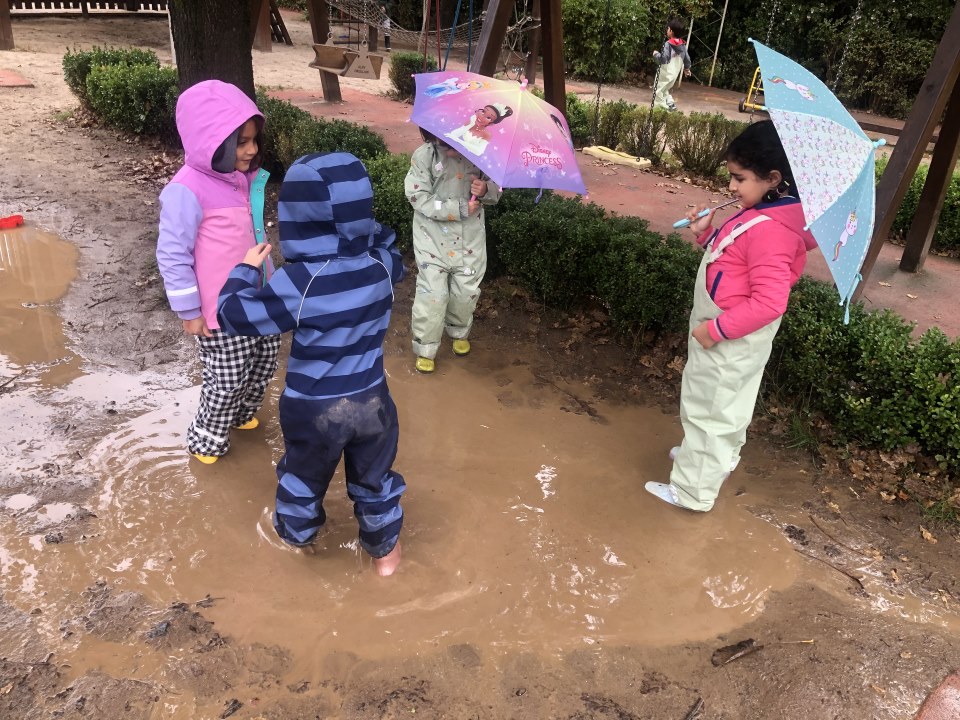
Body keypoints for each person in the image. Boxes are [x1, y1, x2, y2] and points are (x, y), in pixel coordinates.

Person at [217, 152, 406, 576]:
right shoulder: (381, 267)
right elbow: (392, 248)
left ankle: (297, 549)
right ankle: (387, 559)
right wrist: (367, 232)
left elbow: (234, 316)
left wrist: (245, 272)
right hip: (374, 402)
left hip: (314, 409)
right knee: (376, 482)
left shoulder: (299, 282)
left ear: (297, 217)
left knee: (302, 479)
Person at [645, 120, 817, 512]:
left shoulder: (772, 230)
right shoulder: (764, 212)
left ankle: (692, 490)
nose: (731, 187)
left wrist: (715, 331)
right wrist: (706, 234)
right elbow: (736, 262)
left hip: (727, 333)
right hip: (729, 330)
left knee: (708, 410)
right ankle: (713, 460)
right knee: (728, 405)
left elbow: (770, 302)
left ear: (773, 178)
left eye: (739, 178)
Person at [156, 79, 281, 465]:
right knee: (226, 380)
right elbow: (172, 254)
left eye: (254, 140)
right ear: (211, 142)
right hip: (220, 310)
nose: (252, 150)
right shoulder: (186, 189)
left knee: (262, 363)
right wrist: (189, 311)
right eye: (241, 142)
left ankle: (242, 414)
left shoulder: (244, 180)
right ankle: (206, 438)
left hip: (260, 299)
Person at [405, 129, 502, 374]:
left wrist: (486, 190)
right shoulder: (424, 156)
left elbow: (497, 189)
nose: (449, 150)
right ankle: (426, 346)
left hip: (469, 239)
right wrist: (457, 208)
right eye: (442, 143)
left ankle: (459, 331)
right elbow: (417, 196)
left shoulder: (481, 155)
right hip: (432, 239)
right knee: (433, 293)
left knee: (465, 291)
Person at [652, 18, 692, 111]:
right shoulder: (682, 45)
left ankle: (662, 109)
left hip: (665, 73)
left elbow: (664, 59)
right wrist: (687, 69)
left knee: (658, 90)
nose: (667, 30)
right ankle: (670, 103)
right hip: (673, 75)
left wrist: (656, 54)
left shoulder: (668, 44)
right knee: (665, 89)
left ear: (671, 31)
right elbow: (687, 59)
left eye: (668, 29)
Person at [444, 103, 513, 156]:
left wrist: (458, 140)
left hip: (469, 158)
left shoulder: (487, 134)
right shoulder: (471, 122)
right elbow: (453, 134)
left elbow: (479, 152)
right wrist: (470, 125)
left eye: (488, 118)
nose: (482, 116)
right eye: (483, 111)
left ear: (491, 123)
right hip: (455, 149)